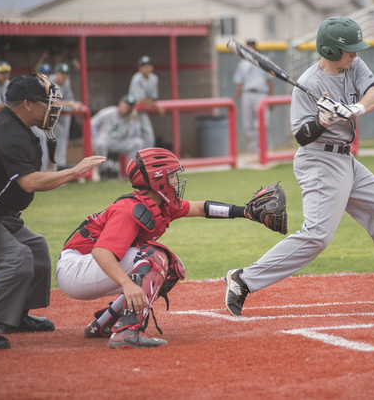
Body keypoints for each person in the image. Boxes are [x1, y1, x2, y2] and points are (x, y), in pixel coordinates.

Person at [224, 17, 374, 317]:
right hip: (318, 161)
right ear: (331, 50)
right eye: (349, 49)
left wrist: (354, 108)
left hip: (346, 160)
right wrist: (322, 121)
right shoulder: (308, 85)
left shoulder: (355, 66)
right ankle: (243, 280)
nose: (355, 54)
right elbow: (301, 135)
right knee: (316, 236)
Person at [0, 74, 106, 350]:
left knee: (37, 249)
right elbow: (29, 181)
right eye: (46, 102)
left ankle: (15, 318)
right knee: (17, 258)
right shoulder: (7, 133)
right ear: (28, 104)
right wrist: (75, 171)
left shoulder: (15, 126)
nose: (53, 108)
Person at [56, 147, 275, 348]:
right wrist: (127, 284)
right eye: (171, 176)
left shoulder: (158, 203)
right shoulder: (128, 209)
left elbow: (201, 208)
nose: (176, 180)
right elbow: (100, 252)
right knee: (155, 258)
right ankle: (126, 331)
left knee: (171, 267)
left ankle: (106, 322)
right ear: (156, 180)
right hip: (76, 267)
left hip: (87, 265)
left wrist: (244, 212)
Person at [91, 94, 155, 178]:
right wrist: (96, 136)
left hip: (119, 143)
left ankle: (129, 172)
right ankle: (103, 173)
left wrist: (135, 120)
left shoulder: (130, 117)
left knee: (138, 142)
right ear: (120, 103)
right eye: (126, 104)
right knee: (100, 144)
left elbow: (136, 135)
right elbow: (91, 123)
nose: (127, 107)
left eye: (129, 106)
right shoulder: (108, 112)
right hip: (106, 141)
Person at [233, 39, 274, 157]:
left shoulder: (264, 60)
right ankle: (253, 151)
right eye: (249, 47)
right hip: (247, 93)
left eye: (253, 46)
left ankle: (267, 148)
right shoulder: (242, 63)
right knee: (248, 124)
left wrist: (271, 99)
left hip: (261, 94)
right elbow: (239, 84)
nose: (251, 49)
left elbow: (270, 81)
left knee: (263, 123)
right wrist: (235, 101)